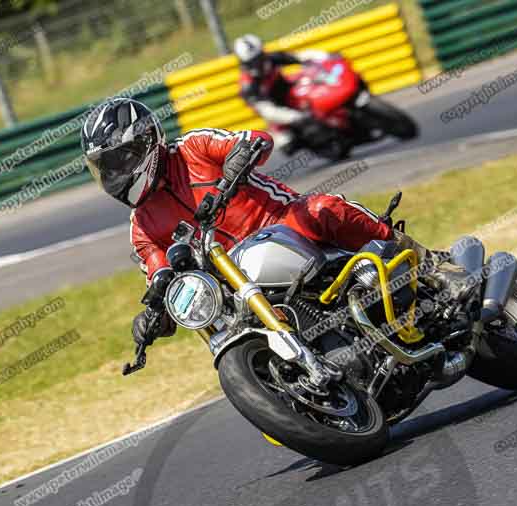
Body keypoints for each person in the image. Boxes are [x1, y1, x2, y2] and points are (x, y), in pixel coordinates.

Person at [80, 98, 421, 347]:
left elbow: (254, 139)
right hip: (237, 284)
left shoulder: (194, 149)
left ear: (144, 143)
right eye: (104, 167)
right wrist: (154, 314)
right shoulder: (141, 226)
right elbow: (162, 278)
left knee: (320, 208)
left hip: (284, 226)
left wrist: (239, 159)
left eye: (117, 160)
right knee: (215, 317)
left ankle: (411, 252)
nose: (113, 174)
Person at [233, 34, 329, 152]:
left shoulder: (272, 59)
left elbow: (299, 57)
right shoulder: (248, 85)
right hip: (278, 113)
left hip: (291, 94)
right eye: (254, 61)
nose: (259, 63)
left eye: (260, 58)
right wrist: (295, 117)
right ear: (245, 62)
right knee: (287, 143)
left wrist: (324, 56)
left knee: (309, 79)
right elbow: (267, 111)